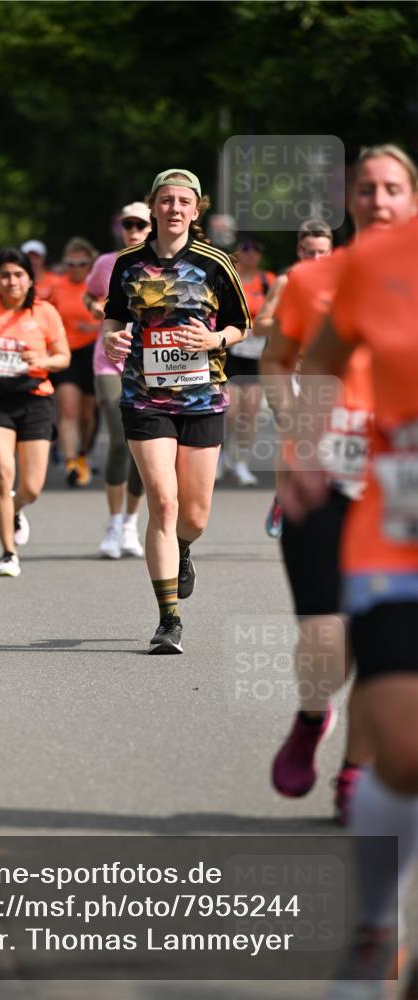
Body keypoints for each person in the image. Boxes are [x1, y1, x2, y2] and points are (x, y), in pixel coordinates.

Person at [262, 144, 418, 825]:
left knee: (381, 640)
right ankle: (309, 716)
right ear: (349, 200)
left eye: (392, 188)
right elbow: (277, 358)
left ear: (410, 201)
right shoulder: (310, 280)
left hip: (397, 484)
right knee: (325, 634)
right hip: (320, 471)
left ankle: (354, 774)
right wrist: (294, 426)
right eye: (366, 188)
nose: (378, 200)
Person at [283, 217, 418, 997]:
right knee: (403, 748)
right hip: (398, 532)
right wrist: (301, 449)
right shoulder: (379, 261)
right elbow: (323, 355)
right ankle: (374, 925)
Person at [103, 168, 250, 654]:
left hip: (203, 397)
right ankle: (169, 618)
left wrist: (215, 338)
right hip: (145, 396)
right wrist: (111, 336)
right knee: (162, 504)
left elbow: (241, 325)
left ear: (196, 208)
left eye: (183, 201)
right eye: (165, 200)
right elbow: (114, 316)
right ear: (153, 206)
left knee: (195, 516)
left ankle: (183, 548)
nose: (174, 209)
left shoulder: (214, 262)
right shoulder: (128, 263)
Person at [0, 248, 70, 577]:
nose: (12, 281)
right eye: (6, 275)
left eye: (18, 275)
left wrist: (43, 362)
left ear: (29, 279)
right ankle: (8, 553)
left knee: (32, 488)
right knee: (1, 469)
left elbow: (63, 356)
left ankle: (16, 508)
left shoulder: (44, 312)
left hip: (36, 398)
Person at [255, 219, 334, 538]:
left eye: (322, 253)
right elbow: (261, 324)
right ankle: (282, 498)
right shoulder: (286, 282)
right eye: (310, 252)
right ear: (300, 250)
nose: (316, 260)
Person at [84, 201, 150, 559]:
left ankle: (130, 524)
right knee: (120, 440)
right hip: (108, 362)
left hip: (148, 364)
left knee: (143, 445)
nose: (134, 231)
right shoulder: (106, 263)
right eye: (128, 225)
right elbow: (89, 294)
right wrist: (96, 309)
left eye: (141, 225)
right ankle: (112, 523)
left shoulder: (161, 264)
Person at [220, 234, 275, 486]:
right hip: (231, 352)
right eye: (245, 248)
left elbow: (279, 312)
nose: (251, 253)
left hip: (256, 353)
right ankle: (221, 457)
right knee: (231, 412)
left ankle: (241, 463)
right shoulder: (230, 278)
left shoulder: (269, 281)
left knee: (250, 412)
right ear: (238, 252)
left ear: (261, 254)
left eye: (256, 249)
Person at [51, 237, 100, 487]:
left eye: (82, 263)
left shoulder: (99, 287)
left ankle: (83, 454)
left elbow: (117, 317)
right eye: (71, 263)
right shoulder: (57, 287)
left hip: (94, 353)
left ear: (91, 264)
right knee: (68, 407)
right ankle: (70, 460)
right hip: (67, 354)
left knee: (87, 414)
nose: (76, 268)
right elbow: (44, 315)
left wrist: (92, 326)